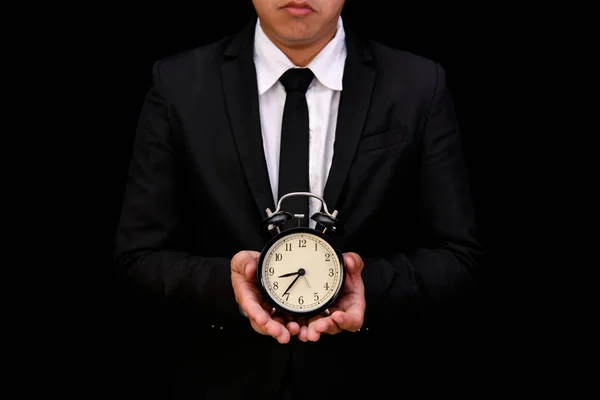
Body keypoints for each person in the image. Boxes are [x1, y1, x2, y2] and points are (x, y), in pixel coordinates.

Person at [113, 0, 483, 398]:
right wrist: (232, 287)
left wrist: (362, 287)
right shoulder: (179, 84)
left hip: (372, 379)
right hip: (220, 378)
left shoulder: (418, 84)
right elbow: (139, 257)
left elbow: (458, 255)